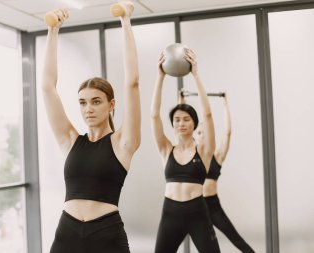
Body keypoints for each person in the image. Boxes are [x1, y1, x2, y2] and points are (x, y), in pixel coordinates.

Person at [41, 2, 140, 252]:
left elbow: (133, 83)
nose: (88, 109)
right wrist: (53, 32)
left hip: (106, 234)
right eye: (83, 103)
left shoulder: (123, 143)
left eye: (96, 101)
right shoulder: (70, 140)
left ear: (111, 105)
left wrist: (125, 22)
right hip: (67, 232)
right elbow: (47, 87)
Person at [150, 49, 220, 253]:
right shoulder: (165, 149)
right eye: (177, 120)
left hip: (197, 211)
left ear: (194, 124)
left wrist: (195, 74)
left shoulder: (205, 150)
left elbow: (207, 114)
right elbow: (154, 115)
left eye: (186, 119)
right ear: (173, 124)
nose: (181, 123)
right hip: (170, 212)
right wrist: (160, 76)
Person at [198, 94, 255, 253]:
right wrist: (181, 100)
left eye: (205, 133)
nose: (202, 136)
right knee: (204, 244)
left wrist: (225, 104)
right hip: (196, 205)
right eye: (199, 133)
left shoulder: (218, 156)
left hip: (213, 205)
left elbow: (227, 132)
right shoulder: (192, 156)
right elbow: (179, 130)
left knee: (235, 237)